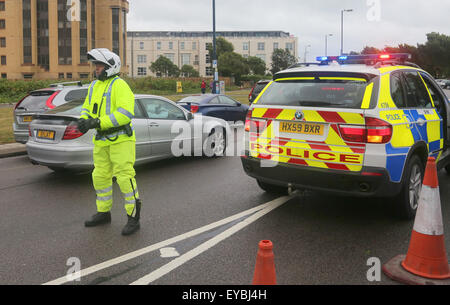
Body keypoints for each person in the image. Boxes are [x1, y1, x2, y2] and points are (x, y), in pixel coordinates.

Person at [78, 48, 142, 236]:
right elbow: (87, 107)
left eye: (99, 66)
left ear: (110, 67)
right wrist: (84, 120)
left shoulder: (120, 85)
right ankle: (103, 212)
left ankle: (133, 218)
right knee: (100, 177)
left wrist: (98, 122)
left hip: (121, 139)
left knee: (124, 177)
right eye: (95, 66)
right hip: (101, 141)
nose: (96, 69)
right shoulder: (94, 86)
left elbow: (125, 114)